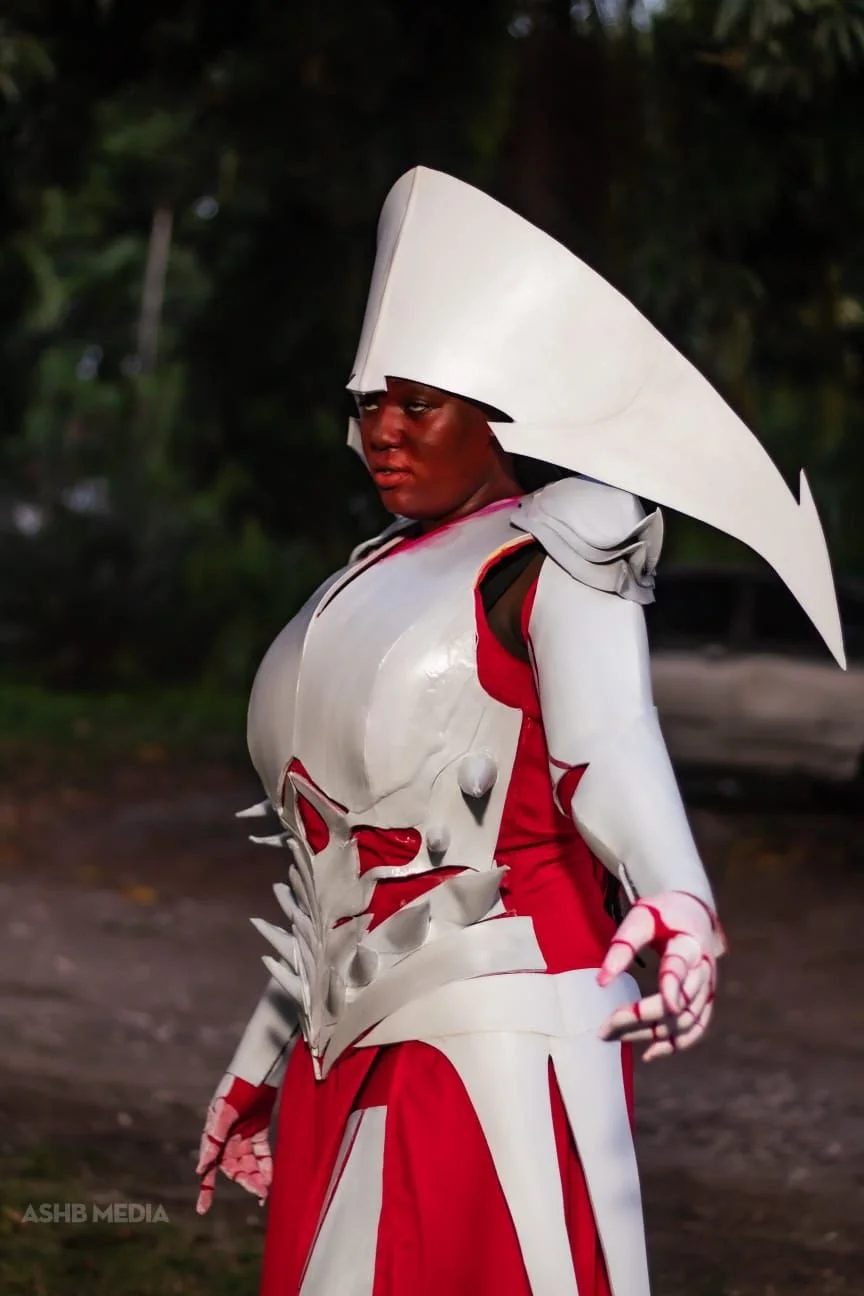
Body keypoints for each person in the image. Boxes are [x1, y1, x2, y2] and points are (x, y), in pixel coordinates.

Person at [195, 169, 844, 1296]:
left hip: (505, 1010)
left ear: (494, 408)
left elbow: (613, 744)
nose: (386, 433)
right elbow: (339, 867)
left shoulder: (558, 547)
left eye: (419, 403)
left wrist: (679, 896)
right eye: (368, 405)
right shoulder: (355, 586)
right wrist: (261, 1058)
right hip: (343, 1040)